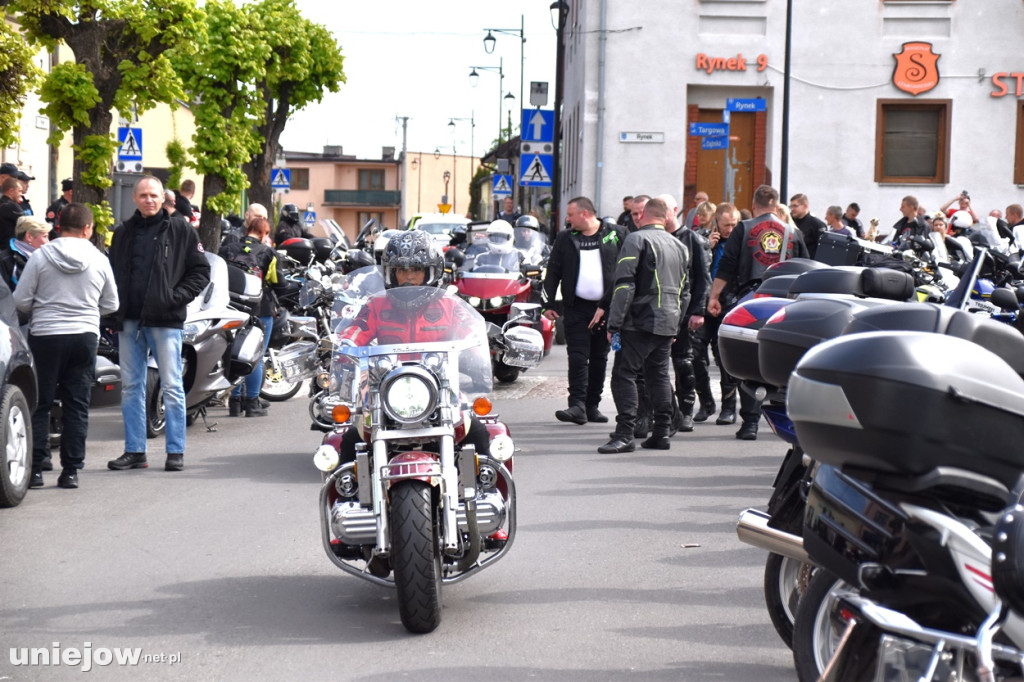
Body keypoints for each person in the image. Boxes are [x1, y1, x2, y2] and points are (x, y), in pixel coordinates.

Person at [336, 230, 491, 463]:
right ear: (390, 273)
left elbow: (471, 328)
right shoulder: (377, 304)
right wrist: (342, 346)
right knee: (350, 439)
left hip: (441, 388)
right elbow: (357, 329)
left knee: (477, 432)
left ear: (431, 272)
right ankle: (347, 491)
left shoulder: (449, 304)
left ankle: (485, 489)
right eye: (402, 270)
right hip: (386, 388)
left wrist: (476, 350)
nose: (408, 277)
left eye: (416, 270)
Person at [105, 176, 211, 473]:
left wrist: (174, 298)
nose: (149, 200)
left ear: (163, 199)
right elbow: (112, 275)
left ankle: (175, 450)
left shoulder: (181, 229)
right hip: (129, 321)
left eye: (154, 195)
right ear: (134, 199)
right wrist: (112, 312)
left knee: (173, 386)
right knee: (130, 387)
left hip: (165, 321)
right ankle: (135, 451)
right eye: (143, 195)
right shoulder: (123, 233)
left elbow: (201, 272)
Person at [15, 203, 119, 490]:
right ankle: (71, 470)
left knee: (40, 403)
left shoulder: (40, 256)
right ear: (88, 228)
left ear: (59, 226)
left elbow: (21, 299)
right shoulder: (99, 259)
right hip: (84, 336)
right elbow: (112, 304)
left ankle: (35, 469)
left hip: (46, 335)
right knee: (77, 404)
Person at [708, 185, 809, 440]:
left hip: (752, 301)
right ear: (776, 206)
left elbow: (727, 265)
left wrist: (714, 295)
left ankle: (750, 422)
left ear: (754, 205)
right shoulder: (791, 232)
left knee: (749, 361)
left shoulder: (744, 228)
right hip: (786, 302)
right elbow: (807, 268)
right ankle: (784, 418)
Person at [599, 197, 689, 454]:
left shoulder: (636, 239)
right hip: (668, 321)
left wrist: (614, 324)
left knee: (623, 375)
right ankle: (661, 432)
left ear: (642, 216)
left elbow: (624, 284)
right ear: (665, 217)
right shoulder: (679, 245)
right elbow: (686, 292)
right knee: (658, 374)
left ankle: (625, 434)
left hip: (639, 321)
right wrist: (676, 324)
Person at [543, 196, 624, 426]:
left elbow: (625, 271)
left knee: (599, 358)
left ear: (585, 214)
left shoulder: (616, 234)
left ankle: (592, 406)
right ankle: (576, 404)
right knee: (578, 357)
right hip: (576, 307)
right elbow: (553, 272)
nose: (567, 220)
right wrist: (548, 304)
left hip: (606, 308)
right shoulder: (565, 239)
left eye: (570, 215)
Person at [657, 193, 708, 433]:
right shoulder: (654, 238)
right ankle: (666, 413)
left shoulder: (691, 239)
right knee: (656, 366)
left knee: (684, 363)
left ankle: (687, 411)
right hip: (659, 311)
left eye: (664, 210)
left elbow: (702, 279)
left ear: (674, 210)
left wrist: (699, 311)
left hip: (685, 312)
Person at [220, 216, 278, 417]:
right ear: (263, 233)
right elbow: (277, 280)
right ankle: (252, 402)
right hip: (260, 309)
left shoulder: (229, 248)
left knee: (234, 353)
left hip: (232, 307)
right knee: (255, 355)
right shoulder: (268, 252)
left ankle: (235, 401)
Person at [691, 203, 741, 423]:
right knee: (695, 354)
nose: (730, 229)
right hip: (703, 304)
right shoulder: (701, 238)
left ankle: (729, 407)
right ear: (716, 222)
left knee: (724, 357)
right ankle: (706, 402)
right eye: (726, 224)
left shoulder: (741, 241)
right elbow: (693, 269)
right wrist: (707, 249)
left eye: (734, 224)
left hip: (729, 304)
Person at [0, 216, 50, 291]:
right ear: (29, 236)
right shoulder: (5, 260)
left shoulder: (46, 256)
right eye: (45, 236)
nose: (48, 242)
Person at [788, 193, 826, 259]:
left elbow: (823, 249)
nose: (792, 209)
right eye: (791, 206)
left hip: (809, 263)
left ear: (805, 206)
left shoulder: (817, 224)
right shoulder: (790, 221)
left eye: (795, 206)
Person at [0, 176, 25, 249]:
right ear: (11, 191)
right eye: (19, 191)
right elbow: (27, 225)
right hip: (9, 249)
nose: (21, 194)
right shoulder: (12, 207)